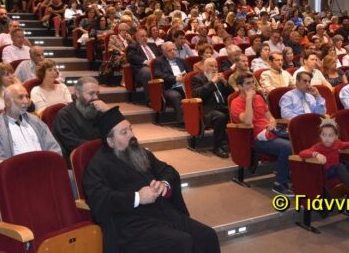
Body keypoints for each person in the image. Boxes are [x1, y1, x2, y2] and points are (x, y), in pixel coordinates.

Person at [83, 107, 220, 253]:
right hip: (132, 225)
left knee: (208, 235)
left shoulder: (139, 152)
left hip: (162, 211)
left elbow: (168, 170)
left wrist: (164, 184)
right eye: (124, 132)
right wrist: (137, 197)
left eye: (130, 129)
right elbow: (100, 199)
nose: (131, 135)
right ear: (110, 141)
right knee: (183, 241)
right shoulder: (97, 165)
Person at [230, 72, 293, 195]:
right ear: (240, 87)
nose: (252, 86)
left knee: (298, 142)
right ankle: (279, 184)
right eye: (248, 83)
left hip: (272, 132)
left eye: (253, 82)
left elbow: (271, 117)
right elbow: (248, 121)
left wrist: (273, 123)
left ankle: (288, 174)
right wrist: (249, 99)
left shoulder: (259, 98)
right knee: (288, 147)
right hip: (256, 139)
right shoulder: (236, 102)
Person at [0, 84, 62, 159]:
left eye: (27, 97)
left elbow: (54, 149)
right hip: (16, 169)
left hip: (44, 166)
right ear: (8, 102)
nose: (26, 101)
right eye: (20, 97)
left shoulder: (36, 121)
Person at [52, 76, 110, 160]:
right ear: (78, 94)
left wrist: (108, 112)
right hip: (80, 159)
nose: (96, 98)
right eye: (91, 93)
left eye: (97, 93)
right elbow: (72, 144)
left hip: (103, 155)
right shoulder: (64, 115)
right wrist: (103, 146)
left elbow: (118, 133)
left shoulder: (99, 110)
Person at [191, 58, 233, 158]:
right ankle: (217, 147)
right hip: (208, 110)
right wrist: (212, 82)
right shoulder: (197, 78)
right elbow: (198, 95)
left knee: (236, 112)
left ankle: (235, 143)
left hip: (222, 106)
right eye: (211, 66)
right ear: (204, 67)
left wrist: (225, 82)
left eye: (216, 66)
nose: (214, 69)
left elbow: (232, 94)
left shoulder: (219, 79)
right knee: (220, 116)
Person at [154, 42, 190, 124]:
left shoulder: (181, 61)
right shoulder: (159, 61)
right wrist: (175, 78)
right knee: (175, 96)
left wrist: (186, 77)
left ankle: (198, 120)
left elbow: (189, 73)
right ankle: (182, 121)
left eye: (174, 49)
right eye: (170, 50)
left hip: (184, 85)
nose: (173, 52)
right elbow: (158, 74)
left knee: (197, 92)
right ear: (164, 52)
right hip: (170, 87)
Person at [126, 28, 162, 105]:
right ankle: (150, 100)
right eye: (142, 36)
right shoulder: (133, 46)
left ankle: (165, 97)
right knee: (147, 71)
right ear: (137, 37)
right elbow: (131, 57)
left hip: (157, 67)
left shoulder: (153, 45)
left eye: (146, 36)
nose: (145, 38)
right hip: (141, 70)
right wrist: (145, 61)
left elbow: (161, 56)